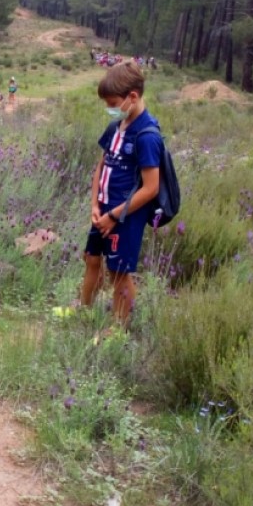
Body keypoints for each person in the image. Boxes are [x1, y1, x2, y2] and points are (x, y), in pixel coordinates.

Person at [79, 61, 162, 329]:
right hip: (103, 210)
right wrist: (94, 204)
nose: (110, 109)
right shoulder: (116, 127)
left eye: (113, 102)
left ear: (133, 97)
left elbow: (151, 188)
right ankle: (84, 311)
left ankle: (118, 329)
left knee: (118, 272)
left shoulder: (147, 135)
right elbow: (101, 166)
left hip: (124, 216)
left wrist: (115, 215)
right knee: (92, 259)